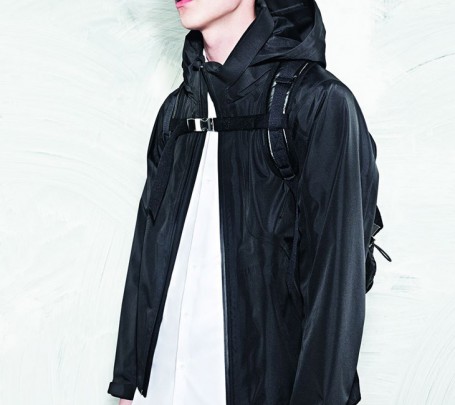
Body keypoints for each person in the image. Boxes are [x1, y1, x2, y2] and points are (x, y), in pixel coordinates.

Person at [108, 0, 380, 404]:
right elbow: (145, 252)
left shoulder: (318, 103)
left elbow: (336, 289)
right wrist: (127, 384)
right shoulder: (175, 114)